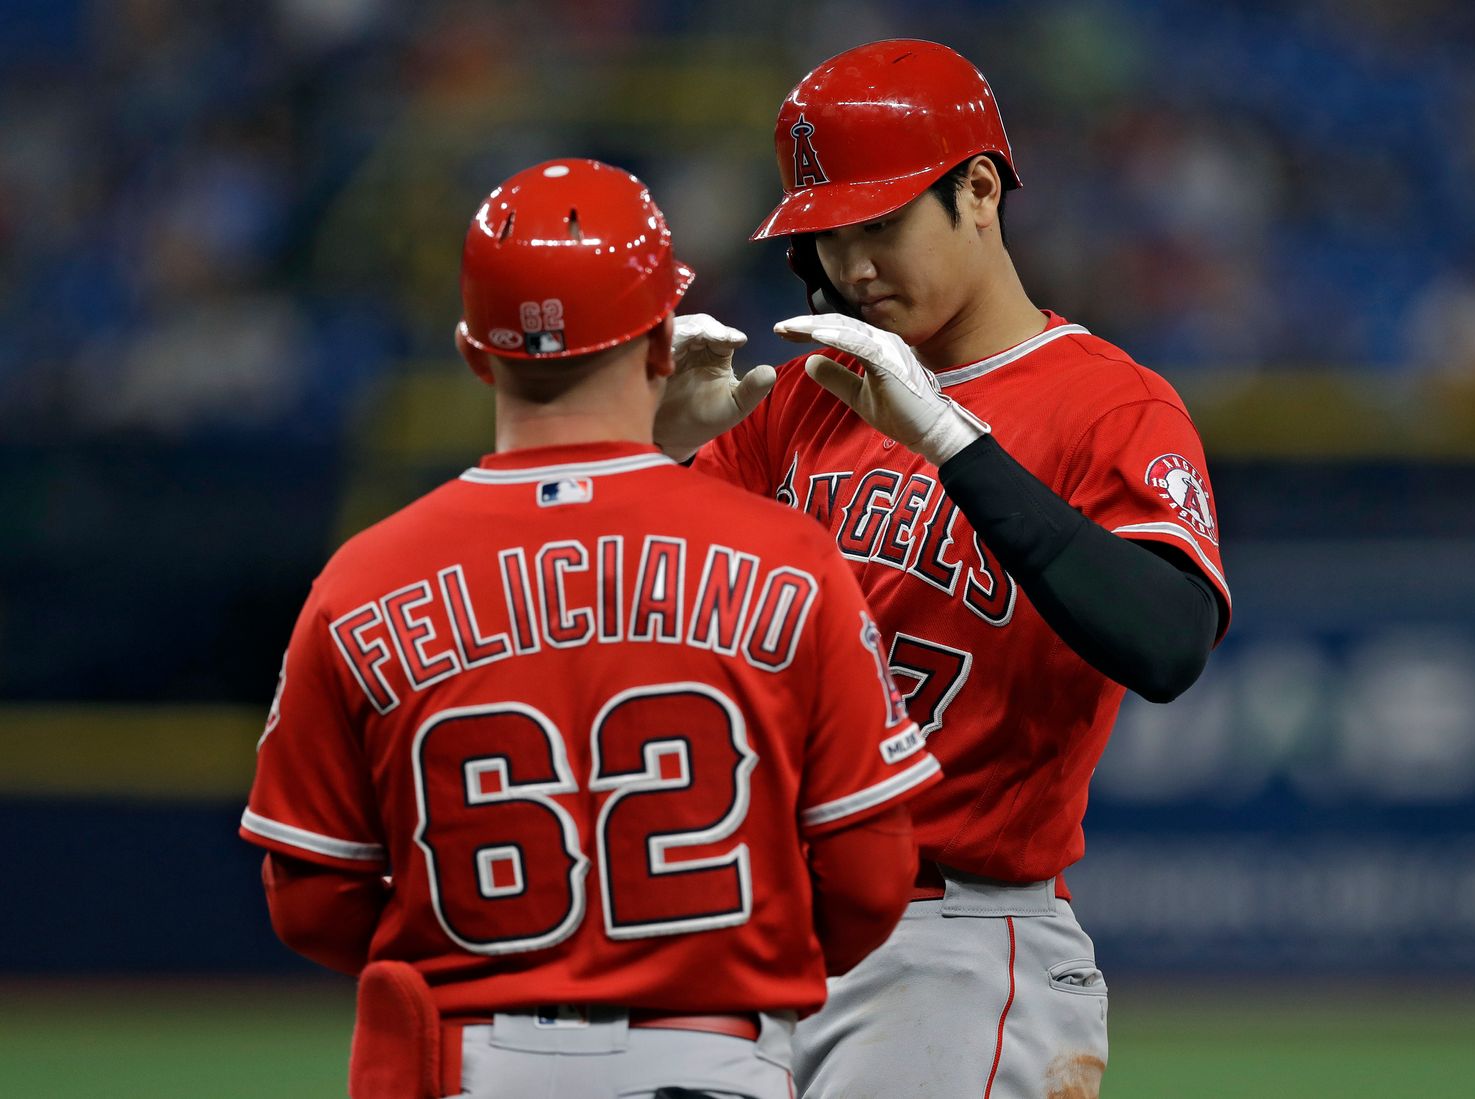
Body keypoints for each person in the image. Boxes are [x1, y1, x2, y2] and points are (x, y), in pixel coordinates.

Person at [239, 158, 940, 1099]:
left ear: (472, 351)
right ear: (664, 343)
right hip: (708, 1060)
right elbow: (869, 878)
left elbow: (311, 901)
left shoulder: (361, 579)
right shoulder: (789, 559)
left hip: (468, 1063)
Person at [656, 40, 1232, 1099]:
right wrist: (641, 459)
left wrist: (958, 448)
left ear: (977, 190)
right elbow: (644, 642)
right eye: (827, 237)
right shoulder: (801, 396)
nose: (851, 267)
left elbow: (1168, 639)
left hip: (953, 942)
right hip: (752, 921)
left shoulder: (1110, 403)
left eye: (879, 224)